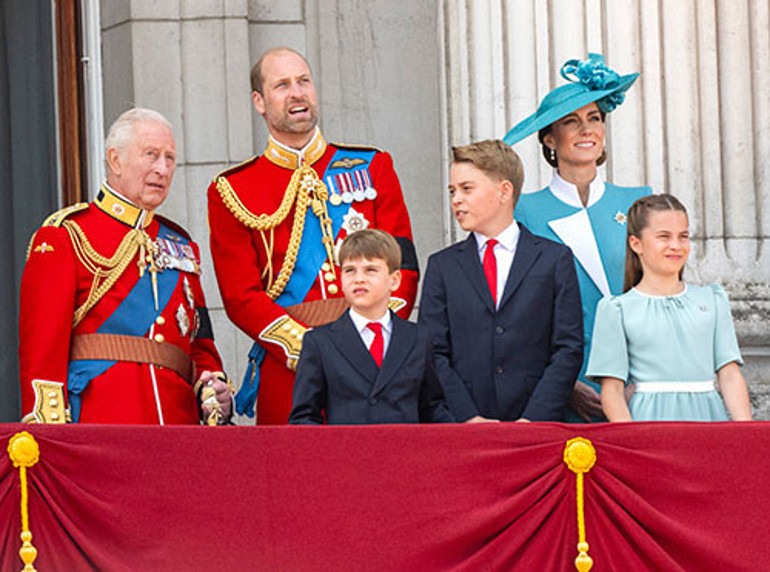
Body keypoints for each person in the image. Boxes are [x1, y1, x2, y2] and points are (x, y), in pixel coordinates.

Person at [207, 47, 418, 424]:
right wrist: (312, 349)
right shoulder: (232, 190)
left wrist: (373, 335)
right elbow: (240, 297)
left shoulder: (374, 166)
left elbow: (404, 267)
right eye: (282, 85)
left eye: (304, 81)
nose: (297, 93)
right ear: (259, 101)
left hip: (376, 363)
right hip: (291, 372)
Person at [18, 108, 232, 425]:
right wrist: (51, 440)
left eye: (170, 158)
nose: (162, 168)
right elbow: (42, 356)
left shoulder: (181, 245)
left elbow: (199, 344)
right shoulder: (67, 237)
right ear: (115, 160)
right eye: (151, 154)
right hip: (101, 428)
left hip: (178, 429)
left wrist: (212, 383)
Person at [503, 53, 652, 422]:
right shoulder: (524, 211)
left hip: (638, 386)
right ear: (550, 138)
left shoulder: (638, 201)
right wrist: (566, 385)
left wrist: (643, 381)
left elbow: (657, 296)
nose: (587, 130)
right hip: (557, 388)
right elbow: (518, 313)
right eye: (572, 121)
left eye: (595, 119)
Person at [418, 140, 583, 422]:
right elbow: (432, 352)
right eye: (452, 191)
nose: (456, 199)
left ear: (504, 191)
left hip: (537, 426)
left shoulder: (554, 260)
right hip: (463, 427)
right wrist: (468, 417)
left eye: (467, 189)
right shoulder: (442, 266)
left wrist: (534, 419)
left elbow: (567, 348)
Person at [585, 195, 752, 422]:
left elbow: (729, 374)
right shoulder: (617, 309)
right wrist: (631, 442)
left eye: (683, 237)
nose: (676, 245)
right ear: (636, 243)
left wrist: (745, 433)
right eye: (664, 237)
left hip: (709, 419)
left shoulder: (712, 299)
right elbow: (612, 390)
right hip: (648, 423)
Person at [289, 229, 452, 425]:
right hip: (347, 453)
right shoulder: (320, 342)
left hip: (406, 452)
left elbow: (431, 407)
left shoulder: (418, 337)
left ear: (395, 280)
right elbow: (305, 417)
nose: (359, 279)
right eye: (350, 270)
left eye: (370, 270)